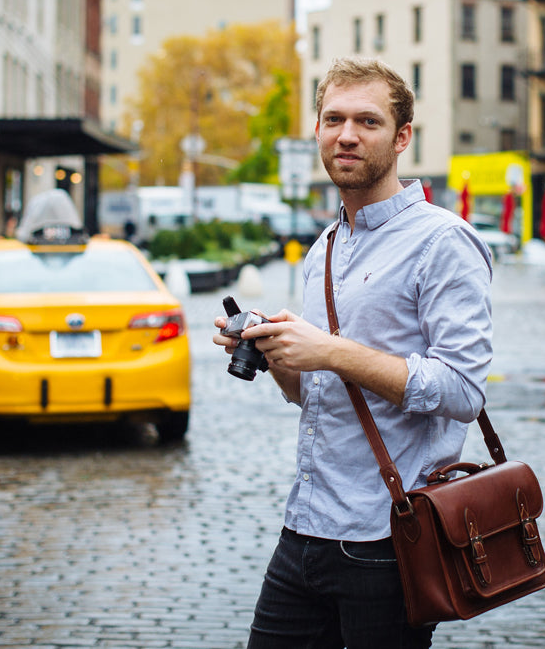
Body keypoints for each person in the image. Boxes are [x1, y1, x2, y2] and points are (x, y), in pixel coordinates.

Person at [213, 57, 493, 648]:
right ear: (316, 129)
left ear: (402, 136)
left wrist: (332, 351)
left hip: (390, 540)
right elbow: (312, 393)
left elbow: (463, 391)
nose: (346, 134)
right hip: (305, 526)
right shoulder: (325, 244)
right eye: (332, 119)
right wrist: (278, 356)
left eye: (367, 120)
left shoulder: (444, 241)